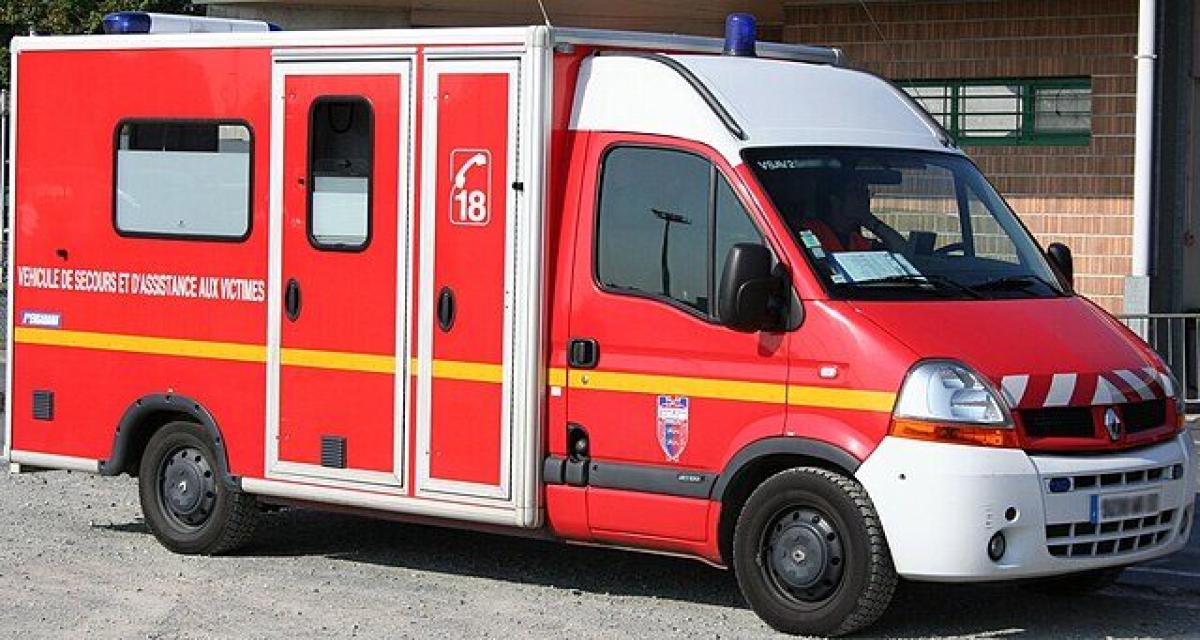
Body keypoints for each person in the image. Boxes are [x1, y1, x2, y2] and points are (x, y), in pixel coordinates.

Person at [803, 175, 907, 253]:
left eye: (866, 193)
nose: (865, 198)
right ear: (835, 201)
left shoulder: (857, 240)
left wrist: (869, 220)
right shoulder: (810, 232)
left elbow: (903, 250)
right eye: (856, 192)